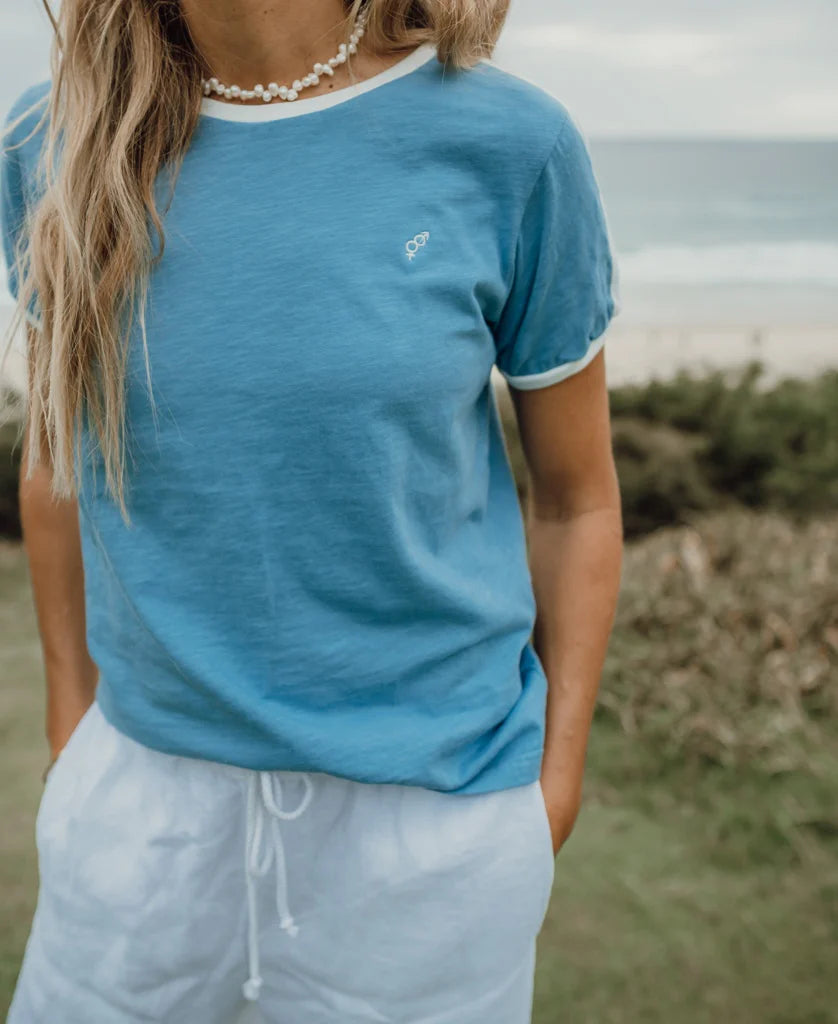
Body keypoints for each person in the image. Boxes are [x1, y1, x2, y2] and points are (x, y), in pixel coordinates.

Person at [0, 0, 623, 1021]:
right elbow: (59, 459)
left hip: (429, 826)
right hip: (137, 810)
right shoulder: (51, 141)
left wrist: (553, 776)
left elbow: (576, 500)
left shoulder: (511, 144)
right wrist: (75, 720)